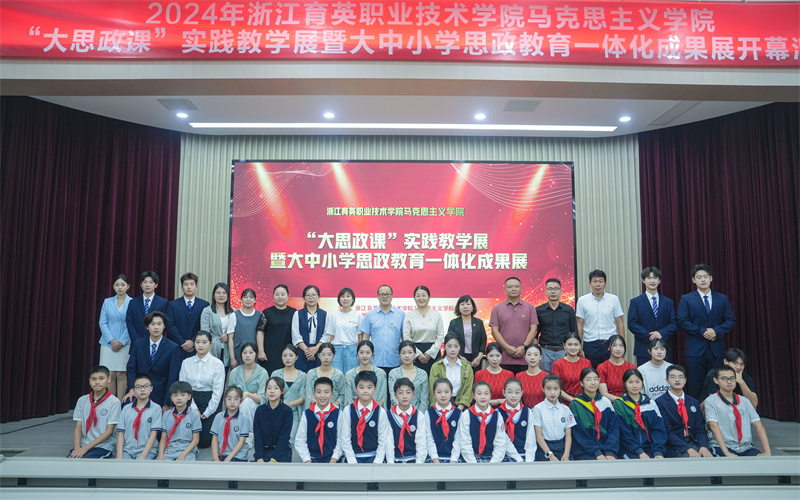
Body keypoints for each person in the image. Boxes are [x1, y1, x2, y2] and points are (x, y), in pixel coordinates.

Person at [677, 263, 736, 398]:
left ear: (711, 278)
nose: (702, 279)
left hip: (716, 349)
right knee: (696, 386)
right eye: (699, 277)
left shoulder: (722, 298)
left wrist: (716, 331)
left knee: (716, 385)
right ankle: (696, 411)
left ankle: (716, 411)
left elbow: (730, 320)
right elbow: (682, 321)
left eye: (705, 276)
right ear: (693, 280)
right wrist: (703, 332)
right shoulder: (686, 299)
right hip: (695, 350)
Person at [705, 364, 771, 457]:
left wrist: (767, 451)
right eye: (724, 378)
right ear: (716, 380)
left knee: (760, 461)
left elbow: (758, 425)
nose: (729, 382)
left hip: (746, 447)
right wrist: (727, 452)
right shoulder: (711, 401)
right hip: (722, 447)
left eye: (732, 378)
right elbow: (713, 426)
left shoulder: (745, 401)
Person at [123, 311, 182, 407]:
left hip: (160, 393)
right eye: (152, 324)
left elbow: (173, 377)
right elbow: (131, 369)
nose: (156, 327)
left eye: (159, 324)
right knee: (126, 404)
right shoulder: (138, 344)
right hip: (138, 390)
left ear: (164, 326)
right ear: (147, 327)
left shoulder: (173, 347)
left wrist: (167, 403)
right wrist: (132, 389)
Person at [655, 365, 713, 458]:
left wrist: (703, 446)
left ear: (685, 380)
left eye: (680, 377)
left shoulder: (693, 402)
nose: (677, 380)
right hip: (673, 445)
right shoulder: (660, 402)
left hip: (693, 441)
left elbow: (700, 428)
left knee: (708, 457)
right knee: (690, 459)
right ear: (667, 380)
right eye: (673, 377)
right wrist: (687, 448)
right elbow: (667, 432)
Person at [179, 331, 225, 448]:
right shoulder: (186, 363)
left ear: (210, 343)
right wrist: (193, 408)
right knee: (187, 437)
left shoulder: (217, 364)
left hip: (209, 400)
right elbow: (183, 387)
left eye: (204, 342)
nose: (200, 345)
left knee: (204, 442)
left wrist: (208, 411)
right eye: (198, 342)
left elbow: (218, 391)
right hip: (190, 399)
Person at [338, 370, 392, 463]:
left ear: (375, 389)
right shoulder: (348, 410)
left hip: (374, 457)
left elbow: (383, 440)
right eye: (361, 387)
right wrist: (351, 460)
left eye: (369, 387)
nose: (365, 391)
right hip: (353, 457)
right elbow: (345, 438)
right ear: (356, 389)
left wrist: (378, 461)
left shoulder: (381, 412)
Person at [628, 267, 678, 366]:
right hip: (643, 347)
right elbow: (632, 324)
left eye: (655, 278)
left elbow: (674, 323)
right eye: (649, 278)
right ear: (643, 280)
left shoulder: (668, 302)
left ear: (659, 281)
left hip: (663, 347)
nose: (652, 281)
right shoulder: (635, 302)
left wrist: (661, 333)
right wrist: (649, 336)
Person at [613, 369, 668, 459]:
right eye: (630, 382)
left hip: (650, 449)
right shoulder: (619, 403)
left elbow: (658, 429)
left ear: (642, 383)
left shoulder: (650, 403)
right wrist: (640, 452)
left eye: (637, 382)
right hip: (629, 450)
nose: (634, 385)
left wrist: (658, 451)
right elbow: (624, 432)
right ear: (625, 384)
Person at [68, 366, 121, 459]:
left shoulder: (114, 402)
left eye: (101, 378)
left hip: (103, 446)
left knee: (85, 461)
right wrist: (77, 448)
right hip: (83, 444)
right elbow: (78, 427)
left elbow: (109, 431)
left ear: (109, 379)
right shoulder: (82, 400)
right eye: (93, 379)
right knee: (70, 460)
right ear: (89, 381)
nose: (97, 382)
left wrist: (85, 449)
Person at [575, 270, 625, 368]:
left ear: (605, 283)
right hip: (590, 344)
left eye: (601, 281)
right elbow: (579, 324)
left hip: (610, 343)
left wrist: (622, 344)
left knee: (611, 371)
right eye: (595, 281)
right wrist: (579, 346)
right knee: (591, 372)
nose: (598, 284)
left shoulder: (614, 299)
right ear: (590, 283)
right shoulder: (582, 300)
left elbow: (620, 322)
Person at [489, 277, 538, 374]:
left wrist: (523, 347)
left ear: (521, 289)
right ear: (505, 290)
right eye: (510, 287)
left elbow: (534, 330)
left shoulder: (530, 307)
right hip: (503, 358)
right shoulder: (497, 308)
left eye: (516, 286)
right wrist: (507, 348)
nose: (513, 289)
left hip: (526, 357)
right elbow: (494, 331)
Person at [569, 367, 620, 460]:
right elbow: (580, 433)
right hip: (586, 452)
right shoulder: (576, 404)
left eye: (596, 379)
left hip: (606, 450)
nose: (593, 383)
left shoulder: (605, 402)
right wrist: (597, 452)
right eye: (588, 379)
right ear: (581, 383)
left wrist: (610, 452)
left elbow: (613, 429)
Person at [458, 381, 516, 463]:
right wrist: (473, 463)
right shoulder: (466, 415)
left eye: (486, 394)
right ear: (473, 396)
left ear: (490, 395)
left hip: (492, 459)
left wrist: (493, 463)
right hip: (471, 459)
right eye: (479, 394)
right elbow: (465, 442)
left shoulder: (497, 415)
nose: (483, 397)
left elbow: (500, 443)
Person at [99, 274, 133, 399]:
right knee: (110, 374)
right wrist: (111, 340)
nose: (120, 287)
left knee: (121, 374)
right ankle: (111, 404)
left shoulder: (132, 302)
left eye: (123, 285)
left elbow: (132, 323)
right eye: (117, 285)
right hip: (108, 343)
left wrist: (121, 341)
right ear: (113, 286)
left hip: (125, 343)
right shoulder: (107, 302)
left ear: (128, 286)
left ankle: (120, 404)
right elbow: (102, 323)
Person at [295, 377, 343, 463]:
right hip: (311, 459)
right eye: (319, 392)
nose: (322, 396)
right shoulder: (307, 414)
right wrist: (307, 460)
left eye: (326, 392)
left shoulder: (338, 414)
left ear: (332, 394)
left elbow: (341, 439)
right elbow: (300, 440)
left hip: (333, 460)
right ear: (314, 393)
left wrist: (333, 459)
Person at [360, 284, 405, 373]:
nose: (385, 296)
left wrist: (404, 357)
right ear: (377, 296)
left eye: (387, 294)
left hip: (394, 361)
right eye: (382, 294)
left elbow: (404, 338)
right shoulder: (370, 315)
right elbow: (365, 339)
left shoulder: (401, 315)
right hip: (374, 361)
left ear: (392, 296)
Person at [115, 373, 161, 460]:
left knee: (140, 466)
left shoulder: (156, 408)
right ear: (133, 390)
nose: (142, 389)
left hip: (147, 451)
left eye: (146, 386)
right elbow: (121, 433)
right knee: (122, 465)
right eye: (138, 387)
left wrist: (143, 456)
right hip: (128, 450)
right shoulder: (126, 409)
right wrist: (119, 455)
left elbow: (153, 434)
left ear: (151, 388)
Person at [535, 278, 577, 372]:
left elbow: (574, 332)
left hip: (564, 352)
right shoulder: (538, 310)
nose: (553, 291)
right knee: (545, 378)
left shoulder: (568, 310)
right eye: (550, 289)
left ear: (561, 291)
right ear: (545, 291)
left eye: (556, 289)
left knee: (564, 378)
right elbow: (535, 334)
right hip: (545, 351)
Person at [165, 272, 209, 359]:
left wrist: (193, 341)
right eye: (186, 284)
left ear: (196, 287)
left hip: (197, 348)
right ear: (182, 287)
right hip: (177, 347)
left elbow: (204, 326)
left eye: (192, 284)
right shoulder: (172, 305)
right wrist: (182, 342)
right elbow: (170, 325)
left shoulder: (204, 305)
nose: (189, 287)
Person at [402, 285, 445, 374]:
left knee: (434, 379)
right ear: (414, 298)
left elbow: (440, 336)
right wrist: (417, 353)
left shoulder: (436, 315)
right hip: (414, 352)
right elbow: (406, 336)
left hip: (433, 352)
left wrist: (431, 353)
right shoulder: (409, 315)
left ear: (429, 297)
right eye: (418, 296)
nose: (421, 298)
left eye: (424, 295)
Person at [532, 374, 575, 461]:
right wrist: (550, 455)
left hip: (562, 447)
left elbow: (568, 435)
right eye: (548, 389)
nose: (552, 392)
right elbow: (538, 436)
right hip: (544, 448)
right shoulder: (538, 409)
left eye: (555, 389)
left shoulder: (566, 409)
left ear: (560, 390)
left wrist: (566, 454)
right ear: (543, 389)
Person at [387, 377, 429, 463]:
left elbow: (421, 443)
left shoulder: (419, 416)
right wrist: (391, 464)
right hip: (395, 460)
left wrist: (418, 463)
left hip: (413, 460)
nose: (405, 396)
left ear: (413, 395)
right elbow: (388, 443)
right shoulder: (388, 416)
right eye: (400, 393)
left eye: (408, 392)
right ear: (395, 395)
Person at [270, 344, 307, 444]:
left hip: (294, 414)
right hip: (277, 412)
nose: (287, 358)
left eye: (291, 355)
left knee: (290, 440)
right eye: (284, 355)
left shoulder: (303, 376)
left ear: (297, 357)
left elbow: (304, 396)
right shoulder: (275, 374)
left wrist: (290, 403)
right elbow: (270, 393)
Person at [257, 284, 297, 374]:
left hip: (288, 353)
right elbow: (260, 332)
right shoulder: (267, 312)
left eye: (283, 294)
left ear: (288, 295)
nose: (280, 297)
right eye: (277, 294)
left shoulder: (294, 312)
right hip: (269, 353)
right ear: (273, 296)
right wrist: (261, 351)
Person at [253, 377, 293, 463]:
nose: (272, 391)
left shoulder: (287, 411)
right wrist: (259, 457)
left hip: (282, 454)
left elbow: (284, 437)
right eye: (269, 388)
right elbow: (257, 435)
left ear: (282, 391)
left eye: (276, 388)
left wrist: (274, 459)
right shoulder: (260, 410)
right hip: (263, 453)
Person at [158, 381, 201, 461]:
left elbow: (196, 439)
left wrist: (183, 455)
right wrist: (160, 455)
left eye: (183, 395)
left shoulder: (194, 415)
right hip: (170, 450)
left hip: (187, 450)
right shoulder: (167, 415)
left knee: (187, 465)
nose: (179, 398)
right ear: (171, 398)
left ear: (189, 396)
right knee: (160, 465)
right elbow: (163, 438)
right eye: (175, 395)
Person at [227, 342, 268, 426]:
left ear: (256, 354)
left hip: (255, 409)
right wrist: (251, 395)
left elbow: (262, 399)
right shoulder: (234, 372)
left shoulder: (262, 373)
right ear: (241, 355)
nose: (247, 355)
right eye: (245, 353)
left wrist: (248, 394)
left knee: (247, 402)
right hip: (236, 406)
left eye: (251, 352)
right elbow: (229, 395)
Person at [429, 333, 474, 410]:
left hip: (461, 407)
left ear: (460, 347)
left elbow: (468, 390)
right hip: (440, 407)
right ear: (444, 347)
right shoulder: (436, 366)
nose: (453, 349)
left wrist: (459, 409)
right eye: (449, 346)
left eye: (456, 346)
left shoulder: (467, 367)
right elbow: (432, 389)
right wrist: (440, 409)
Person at [323, 287, 362, 374]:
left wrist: (360, 351)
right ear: (339, 299)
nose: (345, 299)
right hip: (337, 350)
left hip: (352, 350)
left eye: (348, 296)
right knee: (336, 376)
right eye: (342, 296)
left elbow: (360, 336)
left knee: (352, 376)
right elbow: (331, 336)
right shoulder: (334, 315)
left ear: (352, 299)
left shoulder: (358, 315)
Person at [425, 378, 463, 463]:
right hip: (433, 458)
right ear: (433, 394)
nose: (443, 395)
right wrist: (435, 459)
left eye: (446, 392)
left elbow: (458, 439)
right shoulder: (429, 413)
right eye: (439, 392)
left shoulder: (458, 414)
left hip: (454, 458)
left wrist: (453, 460)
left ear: (451, 393)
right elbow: (429, 438)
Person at [446, 294, 487, 371]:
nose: (465, 307)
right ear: (458, 307)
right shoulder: (454, 323)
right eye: (462, 304)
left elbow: (483, 340)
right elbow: (449, 341)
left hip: (476, 359)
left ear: (472, 307)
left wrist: (479, 357)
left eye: (468, 304)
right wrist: (459, 356)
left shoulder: (479, 323)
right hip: (458, 358)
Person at [126, 271, 169, 344]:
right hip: (136, 343)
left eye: (151, 282)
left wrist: (154, 338)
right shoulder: (133, 302)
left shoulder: (163, 303)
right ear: (141, 285)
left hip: (155, 342)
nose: (148, 285)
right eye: (145, 282)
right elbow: (129, 323)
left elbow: (165, 323)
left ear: (156, 285)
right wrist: (137, 341)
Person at [497, 378, 534, 462]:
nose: (513, 395)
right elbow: (501, 438)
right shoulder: (497, 413)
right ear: (504, 393)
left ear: (522, 393)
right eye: (509, 392)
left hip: (524, 456)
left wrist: (529, 460)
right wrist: (517, 458)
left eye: (517, 392)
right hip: (503, 456)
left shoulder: (527, 412)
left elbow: (531, 438)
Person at [201, 282, 237, 368]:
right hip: (213, 347)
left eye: (224, 293)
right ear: (214, 295)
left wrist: (228, 335)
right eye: (218, 293)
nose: (221, 295)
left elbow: (237, 330)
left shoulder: (233, 311)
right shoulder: (207, 311)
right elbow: (205, 333)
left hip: (229, 349)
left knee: (225, 373)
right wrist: (208, 351)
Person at [210, 386, 250, 462]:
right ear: (224, 400)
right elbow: (214, 438)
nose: (232, 402)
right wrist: (215, 458)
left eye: (236, 399)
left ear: (241, 400)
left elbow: (241, 441)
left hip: (238, 456)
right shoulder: (218, 417)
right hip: (222, 454)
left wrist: (228, 459)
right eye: (229, 399)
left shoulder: (244, 418)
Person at [292, 285, 327, 372]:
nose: (311, 298)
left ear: (319, 297)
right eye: (308, 295)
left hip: (319, 352)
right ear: (304, 298)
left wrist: (316, 348)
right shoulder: (297, 314)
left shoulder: (324, 314)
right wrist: (307, 351)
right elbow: (295, 334)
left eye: (314, 295)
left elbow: (326, 335)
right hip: (302, 352)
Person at [343, 340, 388, 407]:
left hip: (376, 410)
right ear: (357, 353)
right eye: (361, 352)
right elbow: (348, 399)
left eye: (368, 353)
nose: (364, 356)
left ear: (372, 353)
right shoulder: (349, 375)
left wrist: (374, 411)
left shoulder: (380, 374)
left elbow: (382, 397)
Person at [302, 343, 346, 411]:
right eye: (323, 354)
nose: (326, 357)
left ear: (333, 356)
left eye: (329, 354)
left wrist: (335, 404)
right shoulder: (311, 373)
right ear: (318, 355)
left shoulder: (339, 375)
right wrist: (321, 405)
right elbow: (308, 394)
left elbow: (342, 394)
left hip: (333, 410)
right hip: (315, 410)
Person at [389, 340, 429, 412]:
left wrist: (418, 415)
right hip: (397, 413)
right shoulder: (393, 373)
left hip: (418, 414)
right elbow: (393, 397)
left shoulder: (422, 374)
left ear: (415, 354)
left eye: (410, 352)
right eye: (403, 353)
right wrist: (402, 413)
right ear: (399, 355)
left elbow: (424, 400)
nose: (407, 356)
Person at [551, 333, 592, 403]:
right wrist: (574, 400)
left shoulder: (586, 363)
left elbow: (591, 383)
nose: (573, 348)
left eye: (576, 344)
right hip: (565, 402)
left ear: (580, 346)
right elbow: (555, 387)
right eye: (569, 344)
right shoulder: (558, 364)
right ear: (564, 346)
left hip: (585, 401)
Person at [597, 335, 636, 401]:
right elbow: (603, 393)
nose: (618, 349)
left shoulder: (631, 367)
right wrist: (621, 401)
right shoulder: (602, 367)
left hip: (629, 401)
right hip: (609, 402)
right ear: (608, 348)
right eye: (614, 345)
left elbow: (635, 389)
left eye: (621, 345)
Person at [474, 342, 513, 407]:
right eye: (491, 356)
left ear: (502, 356)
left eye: (498, 356)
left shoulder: (509, 374)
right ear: (486, 356)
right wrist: (499, 401)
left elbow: (511, 397)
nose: (495, 359)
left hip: (504, 409)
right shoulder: (479, 374)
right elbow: (477, 398)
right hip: (485, 409)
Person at [232, 288, 262, 367]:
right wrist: (232, 358)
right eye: (245, 297)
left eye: (251, 297)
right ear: (241, 300)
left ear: (255, 300)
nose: (248, 299)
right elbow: (230, 338)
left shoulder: (260, 315)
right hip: (239, 352)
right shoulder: (234, 315)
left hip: (255, 351)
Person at [516, 344, 549, 408]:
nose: (532, 357)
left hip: (543, 410)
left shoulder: (546, 377)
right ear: (525, 357)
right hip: (524, 411)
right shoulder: (518, 376)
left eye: (536, 355)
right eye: (529, 354)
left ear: (540, 357)